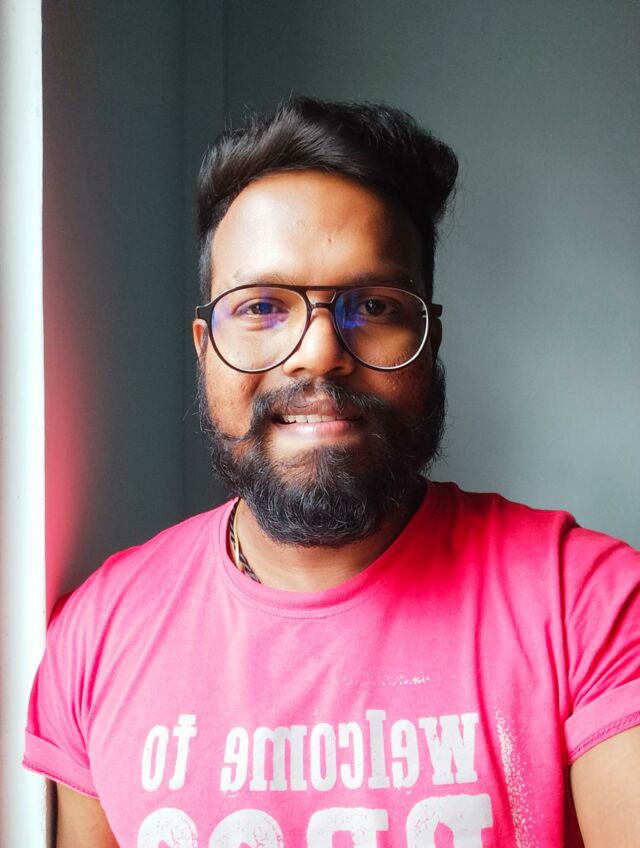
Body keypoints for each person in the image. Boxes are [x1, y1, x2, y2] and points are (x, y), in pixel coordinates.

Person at [24, 96, 640, 847]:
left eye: (373, 305)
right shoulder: (97, 638)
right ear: (205, 348)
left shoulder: (589, 609)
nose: (319, 352)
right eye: (262, 307)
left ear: (429, 339)